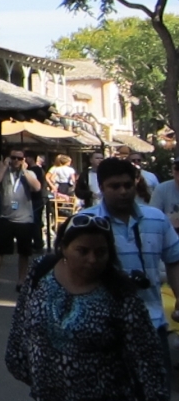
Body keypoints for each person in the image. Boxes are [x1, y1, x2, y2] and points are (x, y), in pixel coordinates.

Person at [6, 213, 168, 401]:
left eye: (100, 252)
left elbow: (149, 360)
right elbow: (20, 326)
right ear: (64, 248)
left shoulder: (121, 295)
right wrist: (28, 371)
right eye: (83, 251)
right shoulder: (41, 271)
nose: (92, 259)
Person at [80, 157, 179, 391]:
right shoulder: (86, 222)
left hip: (153, 324)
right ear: (101, 188)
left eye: (128, 185)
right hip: (103, 327)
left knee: (156, 392)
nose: (123, 192)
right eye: (115, 186)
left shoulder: (156, 219)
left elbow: (174, 260)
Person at [0, 148, 42, 292]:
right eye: (13, 158)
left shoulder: (29, 173)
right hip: (6, 218)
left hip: (24, 220)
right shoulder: (5, 173)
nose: (16, 161)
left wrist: (23, 171)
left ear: (24, 160)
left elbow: (37, 187)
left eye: (19, 158)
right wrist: (4, 166)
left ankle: (21, 281)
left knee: (24, 253)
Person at [24, 151, 48, 251]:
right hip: (38, 198)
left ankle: (37, 243)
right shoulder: (39, 169)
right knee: (35, 221)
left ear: (30, 158)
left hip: (35, 198)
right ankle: (37, 242)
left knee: (35, 222)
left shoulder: (33, 170)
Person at [151, 156, 179, 231]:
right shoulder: (161, 189)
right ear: (173, 170)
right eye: (177, 168)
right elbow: (152, 216)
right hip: (169, 233)